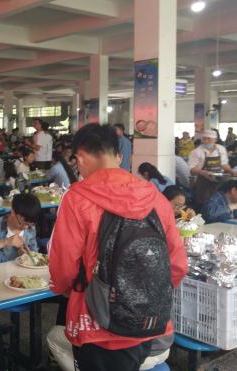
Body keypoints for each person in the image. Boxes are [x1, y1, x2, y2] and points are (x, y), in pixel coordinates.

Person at [48, 123, 187, 371]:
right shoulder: (155, 197)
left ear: (81, 157)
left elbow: (64, 266)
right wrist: (145, 296)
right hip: (150, 326)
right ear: (119, 156)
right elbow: (177, 265)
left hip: (98, 326)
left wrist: (64, 289)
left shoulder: (77, 198)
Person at [0, 193, 41, 371]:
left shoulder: (30, 229)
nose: (25, 227)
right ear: (13, 212)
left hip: (20, 281)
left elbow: (34, 254)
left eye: (29, 224)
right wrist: (3, 243)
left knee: (38, 304)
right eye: (22, 222)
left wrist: (25, 255)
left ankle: (33, 358)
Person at [188, 129, 236, 206]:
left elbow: (224, 164)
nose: (206, 141)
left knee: (219, 203)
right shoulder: (196, 152)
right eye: (204, 139)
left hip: (219, 183)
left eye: (209, 139)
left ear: (215, 140)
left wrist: (230, 171)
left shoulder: (221, 149)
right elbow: (191, 168)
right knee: (204, 204)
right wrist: (202, 172)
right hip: (203, 184)